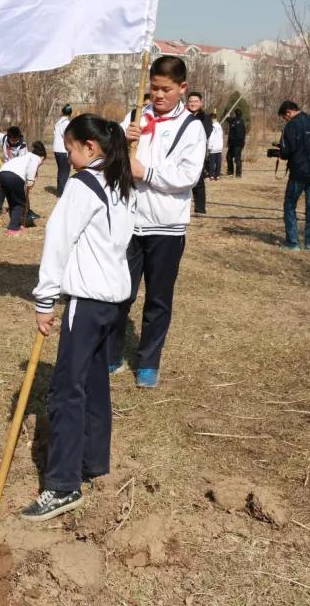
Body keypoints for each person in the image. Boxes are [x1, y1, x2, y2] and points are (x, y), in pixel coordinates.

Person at [23, 114, 136, 521]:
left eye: (71, 148)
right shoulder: (120, 179)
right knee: (94, 383)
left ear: (90, 147)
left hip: (88, 305)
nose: (68, 157)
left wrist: (45, 299)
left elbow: (58, 240)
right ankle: (93, 461)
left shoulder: (84, 184)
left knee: (66, 393)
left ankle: (62, 485)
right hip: (113, 304)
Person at [110, 56, 207, 388]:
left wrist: (147, 172)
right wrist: (120, 142)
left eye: (166, 89)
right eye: (154, 88)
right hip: (129, 221)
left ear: (182, 88)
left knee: (158, 297)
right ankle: (111, 352)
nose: (159, 95)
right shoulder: (136, 116)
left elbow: (187, 176)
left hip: (166, 226)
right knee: (119, 292)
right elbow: (110, 161)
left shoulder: (192, 128)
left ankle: (149, 360)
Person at [278, 101, 310, 251]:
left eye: (284, 117)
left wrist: (280, 152)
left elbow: (286, 152)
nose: (285, 120)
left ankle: (293, 243)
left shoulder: (291, 126)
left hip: (299, 173)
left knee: (290, 205)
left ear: (288, 113)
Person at [0, 141, 48, 235]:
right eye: (43, 161)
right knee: (20, 204)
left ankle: (14, 224)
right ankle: (13, 229)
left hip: (2, 173)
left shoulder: (25, 156)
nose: (41, 163)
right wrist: (30, 181)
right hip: (14, 176)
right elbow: (32, 168)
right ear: (42, 157)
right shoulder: (36, 158)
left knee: (13, 202)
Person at [185, 92, 214, 214]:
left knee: (198, 181)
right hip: (182, 152)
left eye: (196, 101)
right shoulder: (183, 116)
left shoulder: (206, 118)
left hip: (197, 153)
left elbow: (205, 134)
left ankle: (200, 208)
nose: (193, 103)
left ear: (201, 103)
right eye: (191, 101)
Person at [0, 126, 28, 219]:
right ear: (8, 137)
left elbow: (22, 162)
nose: (14, 141)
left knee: (21, 190)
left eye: (16, 139)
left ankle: (25, 210)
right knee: (3, 188)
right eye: (12, 139)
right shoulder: (3, 138)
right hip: (6, 169)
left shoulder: (22, 146)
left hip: (18, 171)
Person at [51, 104, 73, 197]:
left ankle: (60, 191)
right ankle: (61, 192)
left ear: (62, 112)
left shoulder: (58, 122)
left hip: (56, 149)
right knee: (65, 171)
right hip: (63, 150)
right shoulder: (66, 123)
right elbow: (67, 137)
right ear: (70, 113)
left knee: (61, 171)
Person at [226, 108, 247, 178]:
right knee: (229, 157)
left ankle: (238, 174)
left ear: (235, 114)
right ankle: (230, 172)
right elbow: (229, 120)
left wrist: (228, 116)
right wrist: (228, 116)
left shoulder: (237, 122)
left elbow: (230, 121)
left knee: (237, 158)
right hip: (234, 144)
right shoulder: (240, 121)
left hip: (236, 144)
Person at [207, 113, 223, 180]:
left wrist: (209, 147)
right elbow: (221, 136)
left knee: (212, 162)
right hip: (219, 147)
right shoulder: (219, 126)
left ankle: (211, 175)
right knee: (218, 162)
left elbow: (211, 137)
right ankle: (217, 175)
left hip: (213, 147)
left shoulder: (212, 126)